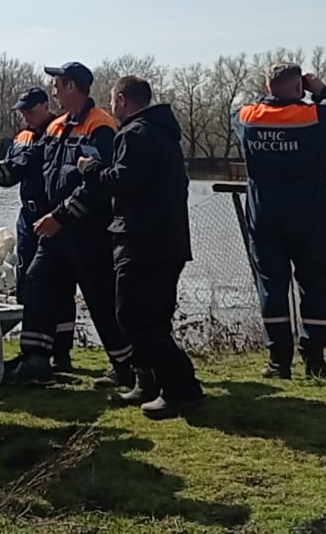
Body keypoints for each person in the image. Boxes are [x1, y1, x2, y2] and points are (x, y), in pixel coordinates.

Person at [233, 63, 326, 379]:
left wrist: (276, 94)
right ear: (300, 85)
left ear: (268, 86)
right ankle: (314, 359)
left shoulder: (245, 118)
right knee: (314, 282)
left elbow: (248, 109)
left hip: (263, 212)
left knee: (271, 285)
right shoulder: (315, 116)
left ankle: (277, 362)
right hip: (305, 211)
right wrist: (323, 91)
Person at [79, 76, 205, 420]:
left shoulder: (135, 134)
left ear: (121, 100)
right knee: (154, 318)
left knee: (133, 317)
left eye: (112, 100)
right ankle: (148, 383)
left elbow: (125, 181)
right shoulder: (163, 132)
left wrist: (91, 170)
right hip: (169, 241)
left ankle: (182, 388)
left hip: (142, 240)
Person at [16, 62, 135, 388]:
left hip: (88, 231)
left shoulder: (101, 127)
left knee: (100, 298)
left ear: (72, 87)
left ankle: (127, 365)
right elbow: (27, 163)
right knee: (37, 281)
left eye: (57, 85)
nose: (52, 90)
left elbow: (99, 184)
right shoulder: (55, 127)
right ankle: (35, 360)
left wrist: (60, 216)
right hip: (56, 229)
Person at [0, 86, 75, 372]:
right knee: (28, 284)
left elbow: (26, 165)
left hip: (54, 218)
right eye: (22, 111)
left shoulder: (60, 132)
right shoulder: (22, 137)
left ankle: (58, 353)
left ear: (45, 106)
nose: (25, 115)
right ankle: (35, 353)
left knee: (58, 286)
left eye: (30, 109)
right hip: (27, 219)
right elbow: (9, 172)